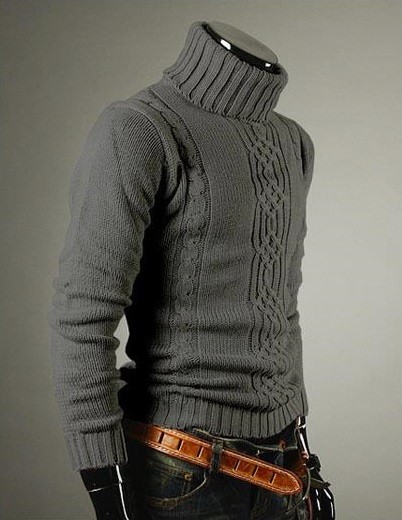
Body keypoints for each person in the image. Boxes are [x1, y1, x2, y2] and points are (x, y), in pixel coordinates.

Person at [49, 20, 334, 519]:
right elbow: (83, 316)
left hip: (285, 466)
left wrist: (303, 442)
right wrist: (106, 484)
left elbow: (279, 309)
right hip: (180, 469)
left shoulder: (293, 142)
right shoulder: (140, 129)